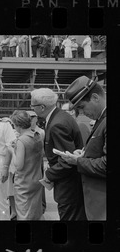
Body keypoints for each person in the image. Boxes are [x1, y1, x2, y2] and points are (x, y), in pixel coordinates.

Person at [30, 88, 87, 220]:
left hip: (68, 186)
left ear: (42, 107)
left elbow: (67, 159)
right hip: (70, 183)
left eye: (32, 105)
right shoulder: (60, 116)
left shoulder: (57, 124)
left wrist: (48, 175)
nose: (31, 108)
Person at [62, 76, 106, 220]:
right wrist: (84, 154)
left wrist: (78, 162)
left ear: (94, 98)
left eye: (81, 106)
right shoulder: (101, 119)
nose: (81, 112)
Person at [10, 110, 44, 220]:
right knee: (36, 213)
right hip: (36, 180)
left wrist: (12, 151)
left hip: (24, 184)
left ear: (18, 125)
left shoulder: (21, 140)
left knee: (23, 215)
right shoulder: (37, 136)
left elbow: (19, 166)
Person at [26, 110, 46, 213]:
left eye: (33, 117)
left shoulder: (41, 132)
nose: (31, 120)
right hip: (27, 160)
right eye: (29, 117)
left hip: (38, 160)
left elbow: (44, 148)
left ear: (36, 119)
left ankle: (41, 205)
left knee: (40, 182)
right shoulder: (24, 131)